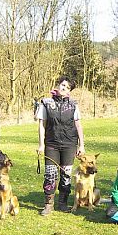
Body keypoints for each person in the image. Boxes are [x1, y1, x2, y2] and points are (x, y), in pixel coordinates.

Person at [36, 76, 86, 215]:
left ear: (70, 90)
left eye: (67, 87)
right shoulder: (46, 103)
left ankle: (62, 203)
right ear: (58, 85)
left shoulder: (73, 104)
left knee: (66, 175)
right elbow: (42, 125)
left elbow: (78, 125)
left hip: (69, 144)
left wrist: (81, 145)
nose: (63, 88)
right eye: (62, 85)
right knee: (50, 174)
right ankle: (48, 204)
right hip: (51, 144)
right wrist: (41, 144)